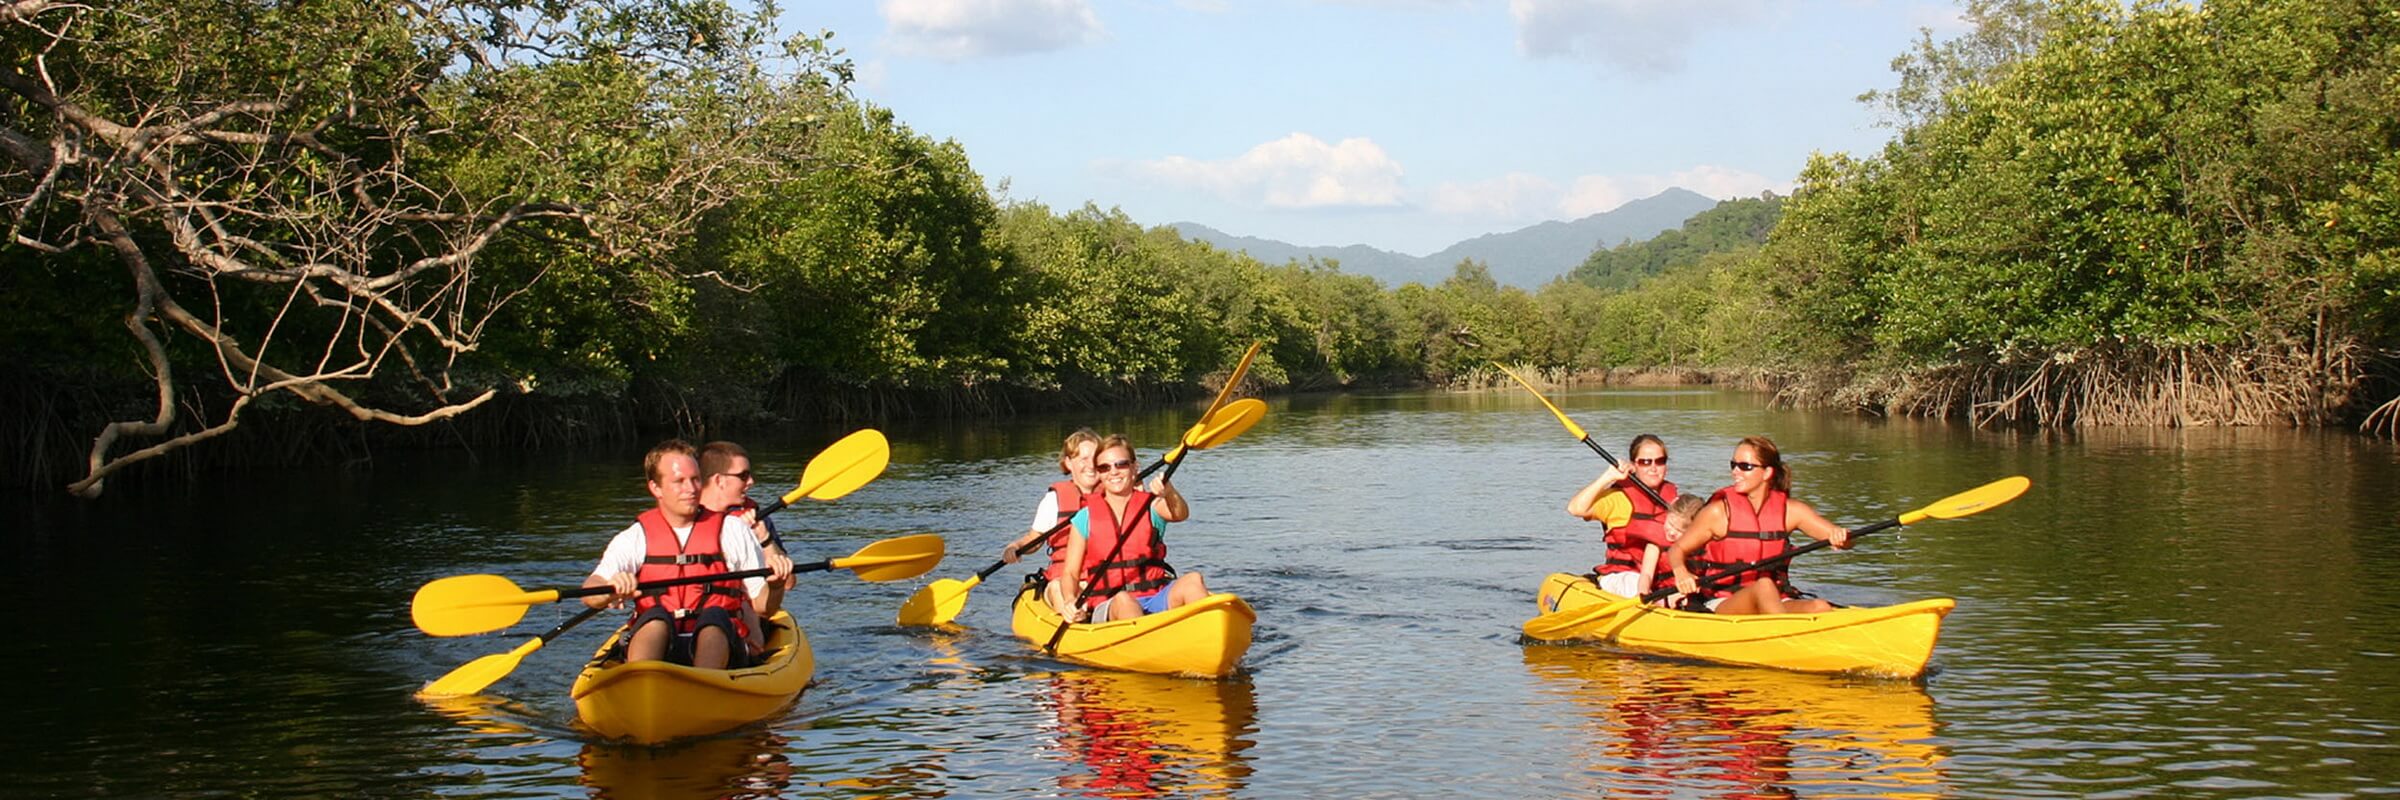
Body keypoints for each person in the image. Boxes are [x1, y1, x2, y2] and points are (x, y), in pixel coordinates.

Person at [582, 439, 790, 669]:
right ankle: (642, 679)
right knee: (655, 619)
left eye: (695, 479)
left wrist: (776, 586)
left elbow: (763, 607)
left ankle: (704, 683)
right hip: (661, 645)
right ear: (656, 488)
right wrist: (610, 588)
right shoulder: (635, 537)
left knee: (714, 618)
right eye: (679, 481)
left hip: (722, 649)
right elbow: (590, 592)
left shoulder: (732, 530)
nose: (691, 489)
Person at [1665, 435, 1851, 615]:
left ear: (1767, 473)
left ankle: (1791, 631)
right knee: (1763, 586)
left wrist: (1841, 537)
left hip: (1775, 600)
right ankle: (1785, 637)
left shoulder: (1791, 511)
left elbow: (1845, 540)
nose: (1735, 471)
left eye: (1745, 466)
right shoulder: (1718, 513)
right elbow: (1677, 549)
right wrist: (1681, 572)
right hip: (1723, 601)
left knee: (1820, 607)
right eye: (1733, 465)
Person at [1054, 434, 1206, 622]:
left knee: (1193, 580)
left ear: (1135, 468)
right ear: (1099, 474)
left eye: (1121, 464)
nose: (1113, 472)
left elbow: (1180, 513)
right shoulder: (1085, 518)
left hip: (1155, 595)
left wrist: (1169, 492)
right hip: (1110, 603)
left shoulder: (1151, 506)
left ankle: (1209, 632)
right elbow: (1070, 573)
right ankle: (1145, 643)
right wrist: (1070, 599)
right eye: (1104, 467)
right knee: (1125, 601)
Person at [1566, 434, 1681, 600]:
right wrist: (1609, 476)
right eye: (1645, 462)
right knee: (1636, 582)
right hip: (1623, 575)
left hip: (1658, 577)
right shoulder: (1619, 498)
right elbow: (1575, 508)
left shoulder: (1674, 500)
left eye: (1660, 461)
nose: (1653, 468)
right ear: (1634, 465)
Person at [1002, 429, 1104, 616]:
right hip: (1062, 577)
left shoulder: (1113, 495)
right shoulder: (1054, 500)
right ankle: (1073, 623)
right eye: (1083, 459)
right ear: (1068, 463)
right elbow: (1035, 539)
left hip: (1099, 575)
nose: (1091, 465)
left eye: (1096, 458)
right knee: (1058, 588)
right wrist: (1016, 546)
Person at [698, 440, 797, 615]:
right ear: (720, 480)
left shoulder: (758, 521)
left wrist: (764, 539)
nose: (751, 481)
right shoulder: (684, 519)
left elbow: (788, 583)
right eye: (743, 476)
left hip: (744, 614)